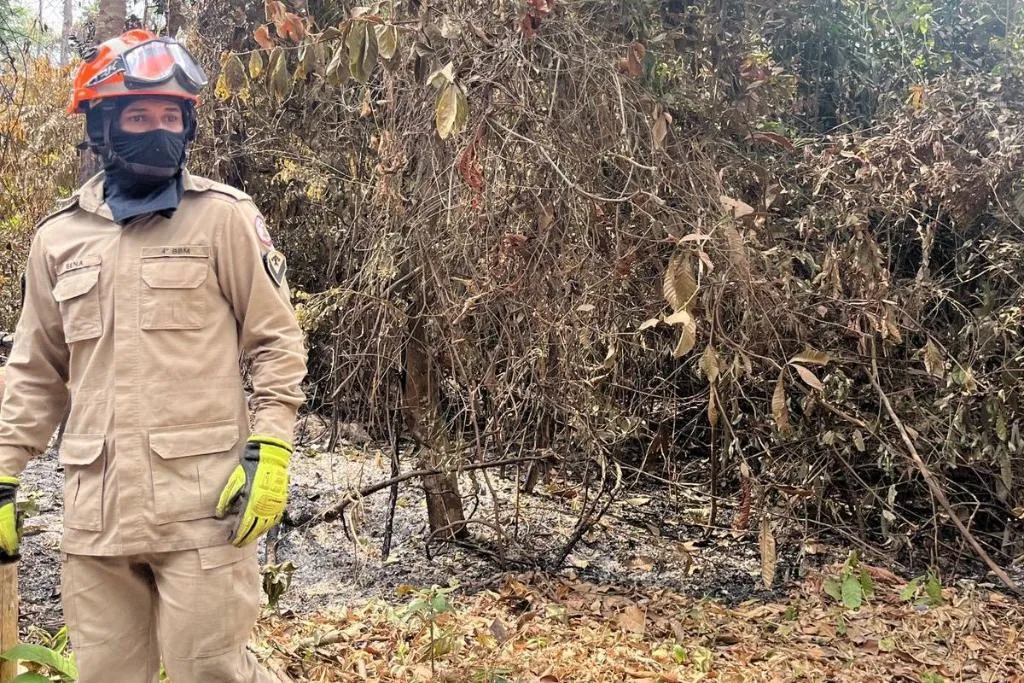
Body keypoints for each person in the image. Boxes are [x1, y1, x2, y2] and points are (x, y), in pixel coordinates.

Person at [0, 29, 307, 682]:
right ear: (102, 125)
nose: (158, 129)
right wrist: (2, 470)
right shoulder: (58, 240)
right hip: (95, 521)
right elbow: (35, 370)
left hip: (202, 516)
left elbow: (276, 342)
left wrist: (272, 446)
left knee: (215, 675)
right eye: (140, 116)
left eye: (171, 116)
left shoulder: (224, 219)